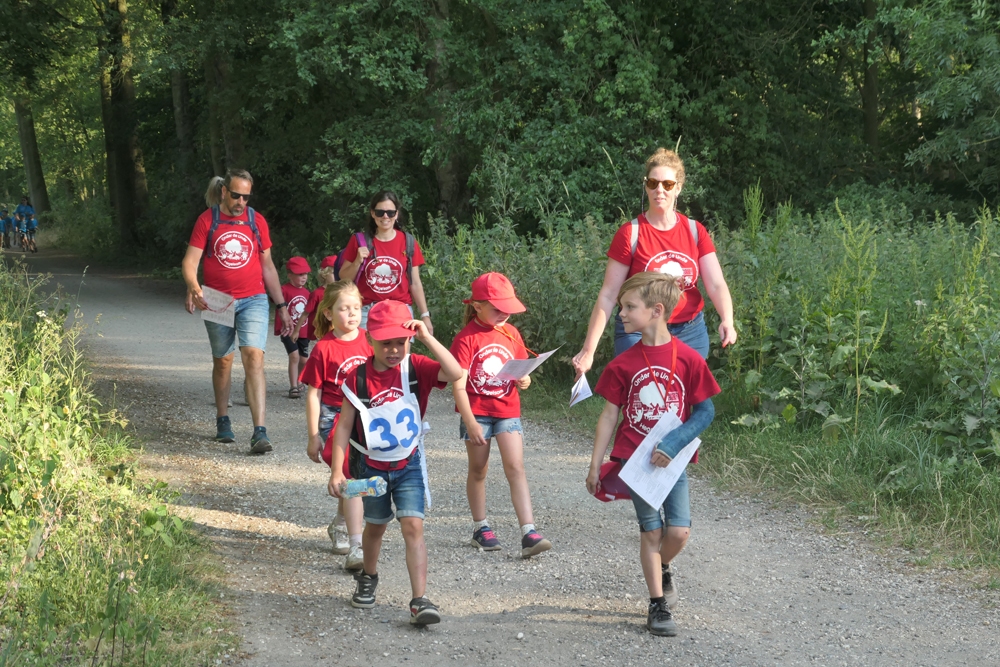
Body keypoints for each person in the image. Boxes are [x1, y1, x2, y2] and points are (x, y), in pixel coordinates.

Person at [586, 272, 720, 637]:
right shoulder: (622, 363)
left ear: (656, 311)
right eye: (621, 307)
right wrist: (596, 464)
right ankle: (657, 605)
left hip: (672, 462)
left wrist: (674, 444)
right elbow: (609, 415)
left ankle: (661, 566)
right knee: (652, 530)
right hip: (635, 461)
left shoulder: (689, 358)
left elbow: (705, 412)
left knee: (678, 532)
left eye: (629, 307)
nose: (621, 314)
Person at [327, 300, 463, 625]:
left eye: (400, 342)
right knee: (375, 527)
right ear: (370, 339)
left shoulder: (416, 367)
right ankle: (368, 576)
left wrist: (427, 338)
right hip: (372, 468)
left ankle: (419, 599)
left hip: (408, 465)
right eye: (385, 343)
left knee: (413, 526)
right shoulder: (358, 378)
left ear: (409, 340)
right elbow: (343, 427)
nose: (393, 350)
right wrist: (336, 470)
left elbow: (456, 372)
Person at [572, 148, 736, 377]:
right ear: (646, 186)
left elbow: (716, 284)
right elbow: (608, 295)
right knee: (643, 394)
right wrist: (588, 350)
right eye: (653, 183)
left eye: (667, 184)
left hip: (689, 332)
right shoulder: (630, 234)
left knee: (685, 395)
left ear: (678, 188)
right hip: (640, 331)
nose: (660, 189)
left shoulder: (695, 231)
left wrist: (727, 319)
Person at [181, 169, 292, 454]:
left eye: (246, 197)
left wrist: (281, 305)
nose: (241, 201)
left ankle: (260, 431)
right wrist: (194, 287)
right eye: (236, 195)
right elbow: (190, 262)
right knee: (223, 361)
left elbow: (268, 266)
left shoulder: (256, 221)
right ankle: (223, 419)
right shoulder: (207, 220)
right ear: (224, 192)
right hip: (217, 299)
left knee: (254, 356)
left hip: (254, 298)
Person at [450, 272, 552, 558]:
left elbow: (519, 368)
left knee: (516, 467)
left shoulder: (511, 333)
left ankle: (529, 532)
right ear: (477, 306)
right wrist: (469, 421)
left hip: (507, 409)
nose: (505, 313)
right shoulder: (465, 339)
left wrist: (524, 379)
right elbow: (458, 385)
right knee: (478, 469)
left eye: (508, 308)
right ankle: (480, 528)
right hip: (477, 413)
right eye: (498, 308)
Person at [299, 280, 372, 571]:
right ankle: (357, 546)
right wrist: (313, 435)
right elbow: (313, 394)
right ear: (328, 313)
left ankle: (340, 524)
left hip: (367, 418)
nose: (353, 313)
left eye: (357, 307)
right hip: (335, 419)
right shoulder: (323, 348)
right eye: (344, 308)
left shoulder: (371, 340)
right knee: (352, 478)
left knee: (356, 477)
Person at [336, 191, 434, 334]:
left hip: (400, 310)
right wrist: (357, 261)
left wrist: (425, 316)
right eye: (380, 212)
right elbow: (344, 278)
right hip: (367, 311)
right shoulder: (359, 241)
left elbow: (415, 282)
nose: (385, 216)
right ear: (372, 213)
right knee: (366, 349)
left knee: (399, 349)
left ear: (396, 214)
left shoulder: (408, 242)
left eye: (390, 212)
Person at [279, 256, 312, 398]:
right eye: (300, 274)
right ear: (290, 275)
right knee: (294, 356)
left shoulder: (307, 293)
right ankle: (293, 386)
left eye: (305, 274)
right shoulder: (283, 290)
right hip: (288, 330)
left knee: (303, 360)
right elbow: (276, 303)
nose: (304, 277)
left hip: (304, 331)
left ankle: (299, 381)